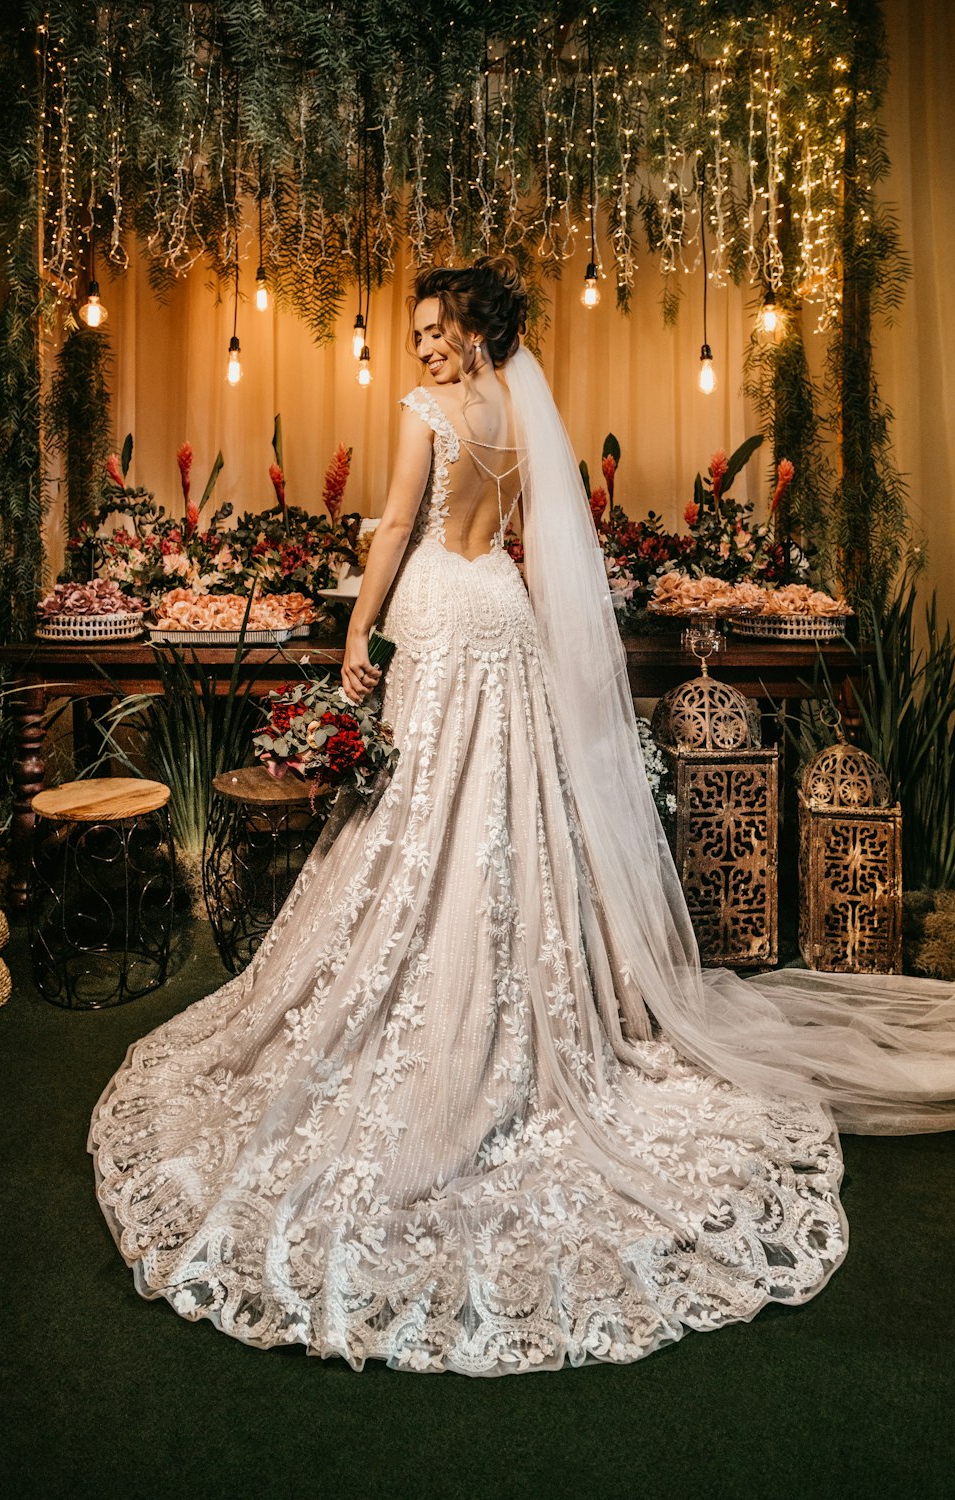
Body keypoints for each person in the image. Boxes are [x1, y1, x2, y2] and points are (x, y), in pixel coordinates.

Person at [90, 256, 955, 1376]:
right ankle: (509, 999)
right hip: (502, 610)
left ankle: (444, 1002)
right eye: (419, 333)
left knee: (427, 807)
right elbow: (544, 539)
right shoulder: (520, 412)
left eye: (439, 328)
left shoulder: (430, 413)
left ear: (477, 331)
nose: (425, 348)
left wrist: (360, 637)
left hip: (445, 616)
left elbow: (396, 526)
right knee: (501, 808)